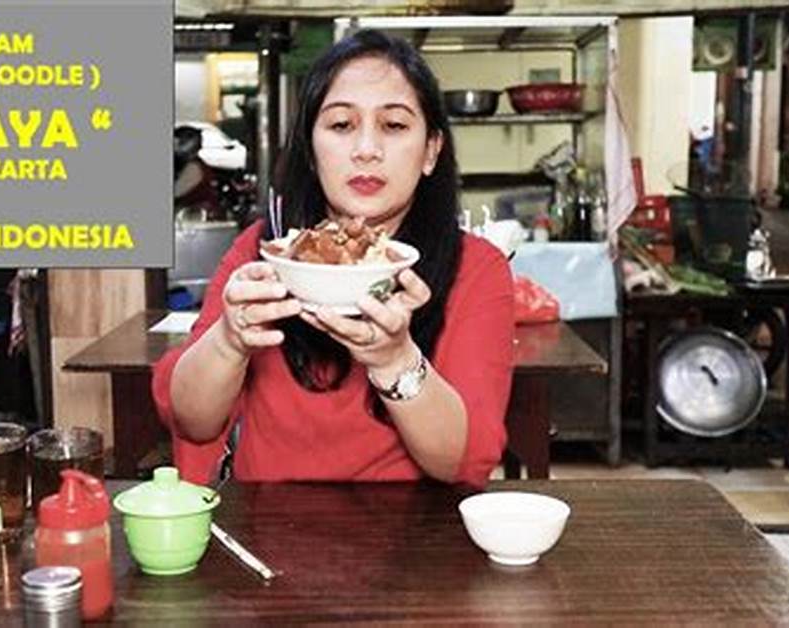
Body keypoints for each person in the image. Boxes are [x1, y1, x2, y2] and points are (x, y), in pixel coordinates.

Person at [152, 30, 516, 489]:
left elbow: (464, 463)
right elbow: (192, 421)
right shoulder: (264, 252)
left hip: (411, 529)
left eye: (394, 126)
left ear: (430, 151)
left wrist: (394, 358)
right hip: (267, 523)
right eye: (342, 125)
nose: (366, 149)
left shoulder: (477, 269)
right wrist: (230, 340)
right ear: (310, 148)